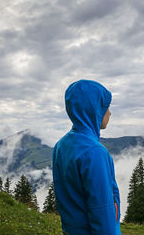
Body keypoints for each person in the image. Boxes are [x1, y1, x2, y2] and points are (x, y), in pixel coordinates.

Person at [52, 79, 121, 235]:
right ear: (94, 109)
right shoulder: (95, 152)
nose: (109, 112)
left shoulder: (61, 145)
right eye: (106, 106)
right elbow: (103, 211)